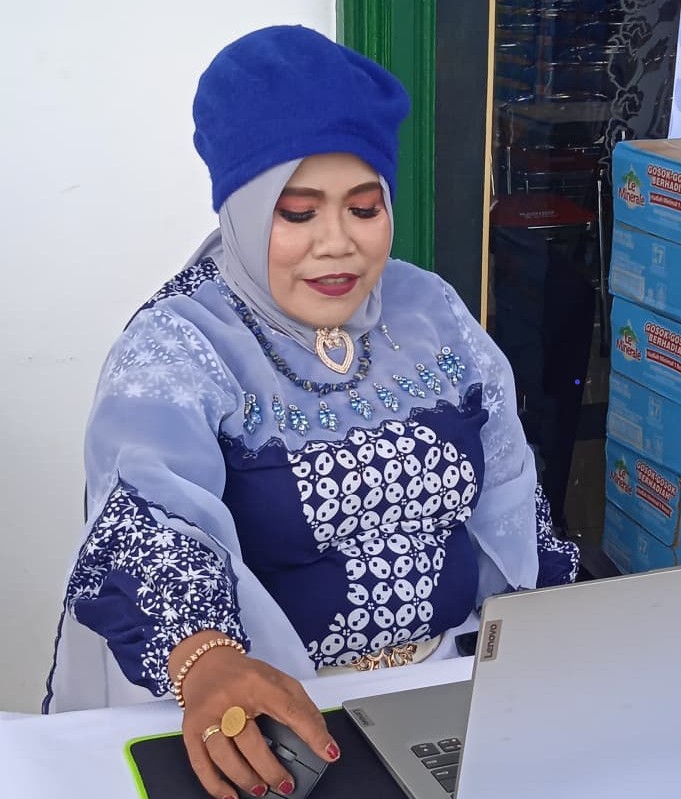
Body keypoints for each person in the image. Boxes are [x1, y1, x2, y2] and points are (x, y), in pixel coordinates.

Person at [44, 25, 579, 799]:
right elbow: (147, 518)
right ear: (241, 207)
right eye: (296, 213)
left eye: (364, 208)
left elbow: (510, 492)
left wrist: (557, 633)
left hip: (453, 689)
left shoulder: (430, 310)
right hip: (274, 722)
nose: (338, 244)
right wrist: (206, 658)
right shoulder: (180, 343)